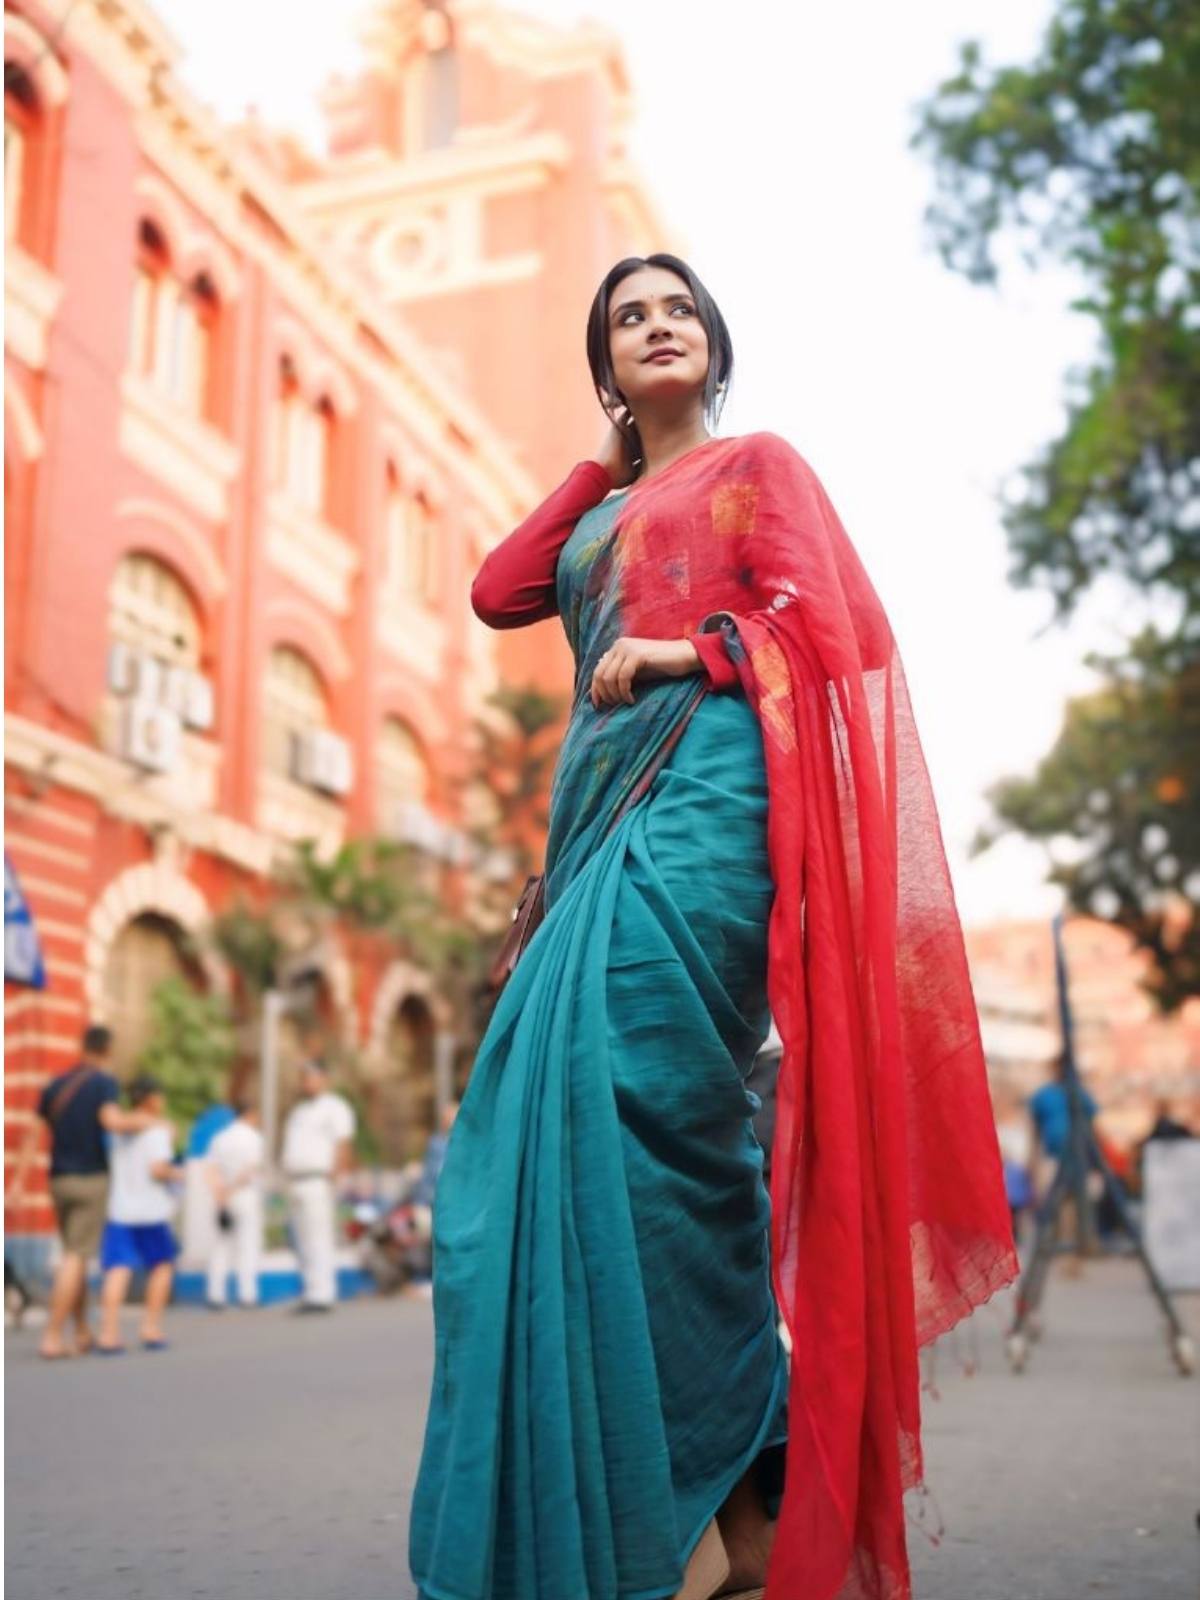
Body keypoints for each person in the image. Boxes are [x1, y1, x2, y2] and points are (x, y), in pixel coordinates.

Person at [408, 254, 1016, 1600]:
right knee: (543, 1148)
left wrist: (695, 648)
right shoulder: (609, 505)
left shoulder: (758, 467)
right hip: (593, 832)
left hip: (711, 797)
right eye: (628, 319)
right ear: (608, 369)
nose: (658, 325)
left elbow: (840, 629)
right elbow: (501, 589)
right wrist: (606, 459)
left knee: (652, 1107)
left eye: (678, 309)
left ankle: (696, 1498)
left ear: (716, 341)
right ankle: (732, 1504)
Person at [5, 1024, 158, 1359]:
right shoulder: (103, 1083)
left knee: (73, 1254)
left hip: (58, 1180)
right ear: (107, 1050)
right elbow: (112, 1121)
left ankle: (82, 1330)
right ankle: (52, 1335)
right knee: (75, 1256)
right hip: (90, 1179)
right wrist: (148, 1121)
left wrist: (17, 1182)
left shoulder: (55, 1084)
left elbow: (33, 1135)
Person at [96, 1074, 180, 1353]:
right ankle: (151, 1328)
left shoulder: (118, 1132)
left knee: (118, 1269)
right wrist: (179, 1173)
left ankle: (108, 1333)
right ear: (152, 1099)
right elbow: (158, 1169)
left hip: (120, 1210)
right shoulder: (157, 1130)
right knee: (161, 1266)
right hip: (151, 1211)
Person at [281, 1058, 355, 1313]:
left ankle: (323, 1293)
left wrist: (338, 1177)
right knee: (301, 1239)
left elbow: (343, 1143)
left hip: (319, 1179)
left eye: (312, 1076)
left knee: (319, 1237)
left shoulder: (335, 1107)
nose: (307, 1082)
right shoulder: (299, 1111)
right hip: (296, 1179)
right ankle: (310, 1290)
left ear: (323, 1078)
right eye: (304, 1077)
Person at [204, 1100, 265, 1309]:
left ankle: (215, 1295)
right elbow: (251, 1169)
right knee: (248, 1245)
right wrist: (232, 1189)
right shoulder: (254, 1138)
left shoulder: (220, 1138)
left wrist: (220, 1194)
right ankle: (247, 1294)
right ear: (250, 1113)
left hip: (222, 1197)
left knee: (220, 1246)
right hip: (245, 1195)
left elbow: (210, 1169)